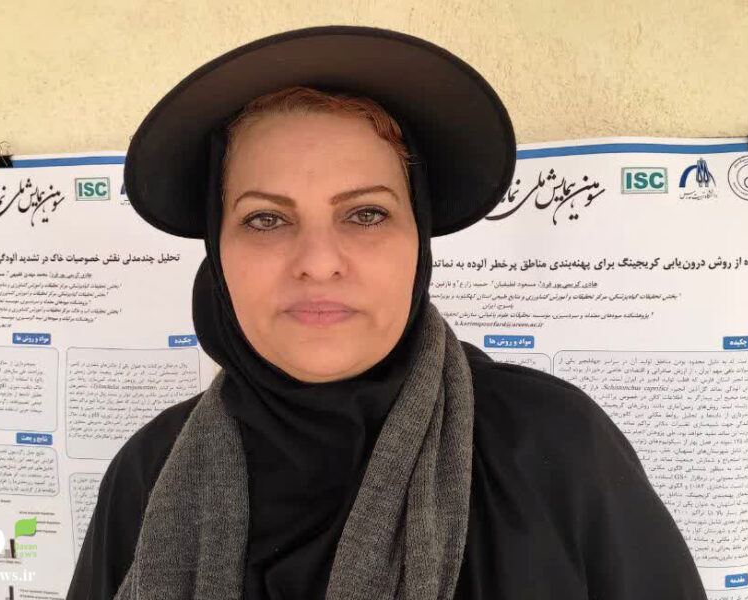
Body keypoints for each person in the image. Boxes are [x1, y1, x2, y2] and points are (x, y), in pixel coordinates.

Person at [67, 26, 707, 600]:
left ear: (418, 243)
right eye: (265, 219)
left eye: (366, 214)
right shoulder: (148, 471)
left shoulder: (554, 446)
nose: (319, 262)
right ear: (218, 252)